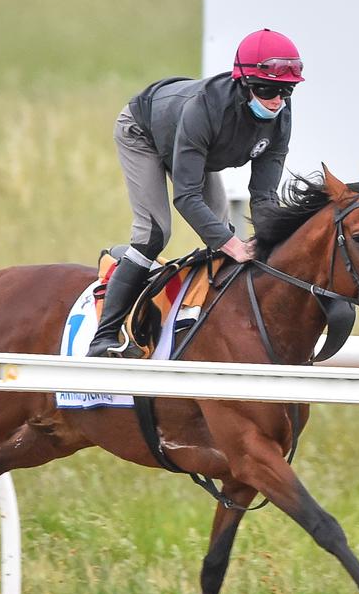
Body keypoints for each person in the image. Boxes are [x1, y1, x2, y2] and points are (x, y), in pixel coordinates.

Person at [86, 28, 303, 357]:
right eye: (267, 89)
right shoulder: (205, 109)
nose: (277, 100)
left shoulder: (281, 117)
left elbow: (263, 196)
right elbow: (186, 196)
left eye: (286, 91)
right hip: (142, 132)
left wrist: (267, 244)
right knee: (154, 234)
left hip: (187, 141)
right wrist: (234, 246)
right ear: (244, 84)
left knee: (223, 237)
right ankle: (103, 337)